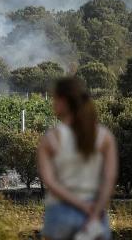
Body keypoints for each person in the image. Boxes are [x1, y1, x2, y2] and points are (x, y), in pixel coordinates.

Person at [38, 77, 118, 240]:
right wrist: (94, 213)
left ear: (63, 101)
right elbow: (109, 179)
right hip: (95, 213)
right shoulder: (104, 137)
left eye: (54, 98)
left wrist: (81, 206)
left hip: (59, 213)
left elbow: (51, 183)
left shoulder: (50, 139)